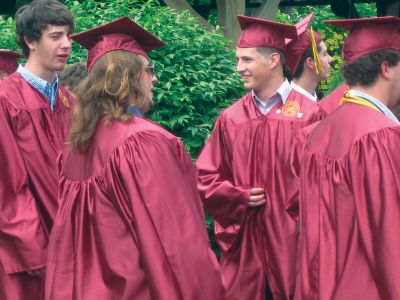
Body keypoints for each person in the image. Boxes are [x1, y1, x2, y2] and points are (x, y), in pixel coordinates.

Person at [45, 16, 224, 300]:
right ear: (125, 75)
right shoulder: (142, 142)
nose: (154, 78)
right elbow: (176, 243)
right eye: (149, 69)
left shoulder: (75, 148)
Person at [196, 15, 326, 300]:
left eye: (246, 60)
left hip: (294, 248)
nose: (238, 68)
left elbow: (324, 187)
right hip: (245, 249)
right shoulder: (231, 118)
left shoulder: (310, 115)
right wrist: (235, 195)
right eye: (238, 60)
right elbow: (206, 178)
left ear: (273, 60)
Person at [287, 16, 400, 299]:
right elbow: (391, 237)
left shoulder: (317, 133)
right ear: (387, 68)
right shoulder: (379, 136)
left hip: (319, 285)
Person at [0, 1, 75, 299]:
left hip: (71, 239)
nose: (67, 44)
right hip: (32, 247)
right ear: (30, 41)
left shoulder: (71, 101)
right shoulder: (6, 99)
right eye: (55, 36)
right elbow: (6, 182)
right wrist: (30, 245)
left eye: (68, 35)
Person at [286, 13, 333, 101]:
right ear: (310, 62)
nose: (331, 59)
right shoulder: (289, 106)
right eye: (325, 54)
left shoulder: (314, 101)